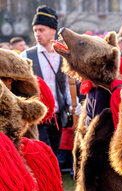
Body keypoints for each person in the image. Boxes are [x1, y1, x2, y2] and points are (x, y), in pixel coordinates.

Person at [21, 5, 79, 156]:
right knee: (42, 155)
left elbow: (67, 85)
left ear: (53, 31)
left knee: (53, 154)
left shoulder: (64, 55)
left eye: (41, 30)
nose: (37, 34)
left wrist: (74, 105)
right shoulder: (26, 56)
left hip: (58, 117)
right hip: (36, 119)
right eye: (35, 30)